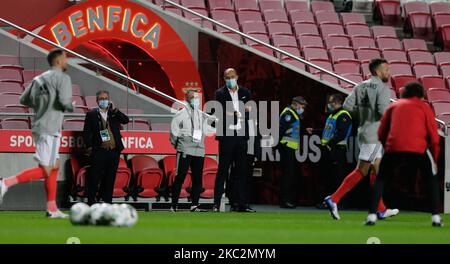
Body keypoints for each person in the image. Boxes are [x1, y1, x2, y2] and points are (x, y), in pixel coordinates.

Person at [0, 49, 73, 218]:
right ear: (57, 62)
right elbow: (65, 102)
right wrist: (70, 106)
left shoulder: (38, 79)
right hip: (52, 127)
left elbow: (23, 100)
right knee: (47, 169)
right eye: (64, 59)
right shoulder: (63, 78)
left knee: (54, 166)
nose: (66, 61)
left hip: (40, 126)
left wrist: (42, 105)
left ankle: (52, 208)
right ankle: (5, 183)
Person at [324, 58, 399, 220]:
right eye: (386, 70)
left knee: (376, 170)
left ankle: (381, 209)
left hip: (364, 131)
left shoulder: (360, 86)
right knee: (363, 170)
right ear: (378, 72)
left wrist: (364, 116)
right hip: (375, 134)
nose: (389, 73)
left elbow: (347, 107)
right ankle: (334, 198)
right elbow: (383, 113)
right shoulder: (383, 89)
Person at [365, 82, 442, 226]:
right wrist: (435, 160)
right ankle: (436, 218)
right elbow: (434, 137)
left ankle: (371, 216)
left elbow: (382, 130)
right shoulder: (424, 107)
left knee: (380, 178)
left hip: (393, 147)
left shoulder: (394, 106)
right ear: (421, 94)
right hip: (418, 148)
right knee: (431, 180)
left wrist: (386, 146)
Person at [213, 68, 254, 212]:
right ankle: (216, 203)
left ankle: (241, 204)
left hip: (242, 136)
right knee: (223, 171)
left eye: (232, 76)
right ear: (224, 79)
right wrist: (237, 112)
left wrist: (234, 112)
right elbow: (220, 111)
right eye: (226, 77)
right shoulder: (220, 93)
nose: (229, 79)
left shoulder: (245, 93)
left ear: (236, 76)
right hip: (227, 136)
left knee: (241, 171)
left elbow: (250, 110)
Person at [83, 90, 129, 205]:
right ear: (97, 101)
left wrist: (115, 110)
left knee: (110, 179)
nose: (104, 100)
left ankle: (107, 202)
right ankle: (91, 203)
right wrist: (90, 148)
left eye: (106, 98)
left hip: (113, 151)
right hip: (99, 151)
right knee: (94, 178)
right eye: (102, 99)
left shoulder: (113, 113)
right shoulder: (92, 114)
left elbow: (126, 120)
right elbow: (86, 133)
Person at [169, 90, 208, 212]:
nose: (195, 100)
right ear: (187, 98)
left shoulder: (201, 114)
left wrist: (200, 141)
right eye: (192, 98)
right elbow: (173, 132)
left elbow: (205, 132)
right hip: (185, 149)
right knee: (180, 177)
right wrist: (180, 144)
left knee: (197, 178)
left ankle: (194, 205)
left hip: (199, 150)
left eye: (197, 98)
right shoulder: (180, 114)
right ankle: (174, 206)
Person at [277, 96, 308, 209]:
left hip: (290, 147)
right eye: (302, 106)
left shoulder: (294, 113)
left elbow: (292, 128)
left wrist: (305, 130)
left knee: (290, 175)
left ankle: (287, 200)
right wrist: (277, 144)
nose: (302, 109)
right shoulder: (288, 113)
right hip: (286, 146)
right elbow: (281, 129)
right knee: (287, 175)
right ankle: (284, 201)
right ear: (296, 104)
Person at [320, 94, 353, 196]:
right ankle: (329, 200)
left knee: (338, 176)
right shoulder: (332, 115)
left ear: (336, 102)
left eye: (330, 102)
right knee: (329, 176)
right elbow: (328, 131)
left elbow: (341, 134)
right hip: (329, 149)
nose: (329, 105)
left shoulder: (343, 115)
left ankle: (339, 201)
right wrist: (315, 131)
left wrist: (330, 143)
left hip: (338, 149)